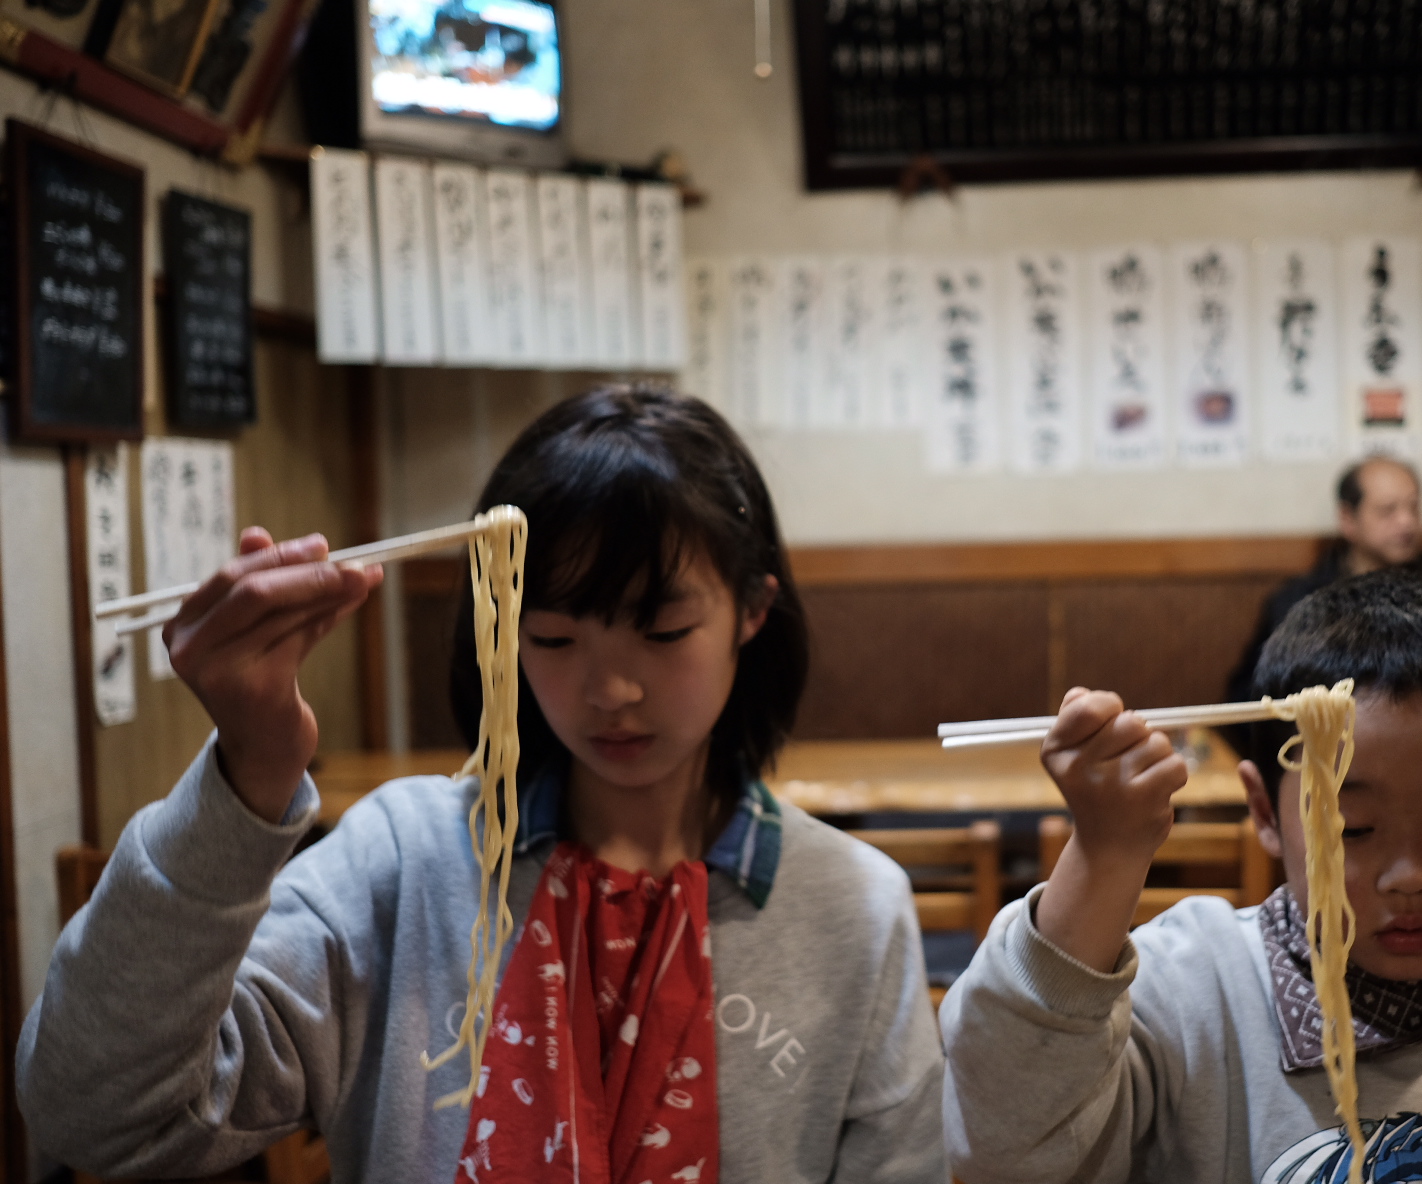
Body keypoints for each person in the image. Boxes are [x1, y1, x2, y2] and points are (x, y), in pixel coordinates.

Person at [19, 386, 947, 1183]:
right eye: (552, 637)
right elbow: (96, 1112)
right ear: (502, 630)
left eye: (662, 633)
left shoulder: (852, 910)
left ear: (753, 610)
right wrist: (247, 775)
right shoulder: (406, 862)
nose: (611, 690)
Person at [941, 572, 1422, 1184]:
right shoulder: (1195, 993)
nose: (1409, 877)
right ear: (1265, 809)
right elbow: (1007, 1147)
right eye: (1349, 830)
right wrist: (1103, 856)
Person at [1225, 456, 1422, 703]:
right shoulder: (1299, 602)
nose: (1407, 522)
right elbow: (1253, 693)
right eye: (1387, 510)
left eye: (1414, 507)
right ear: (1347, 519)